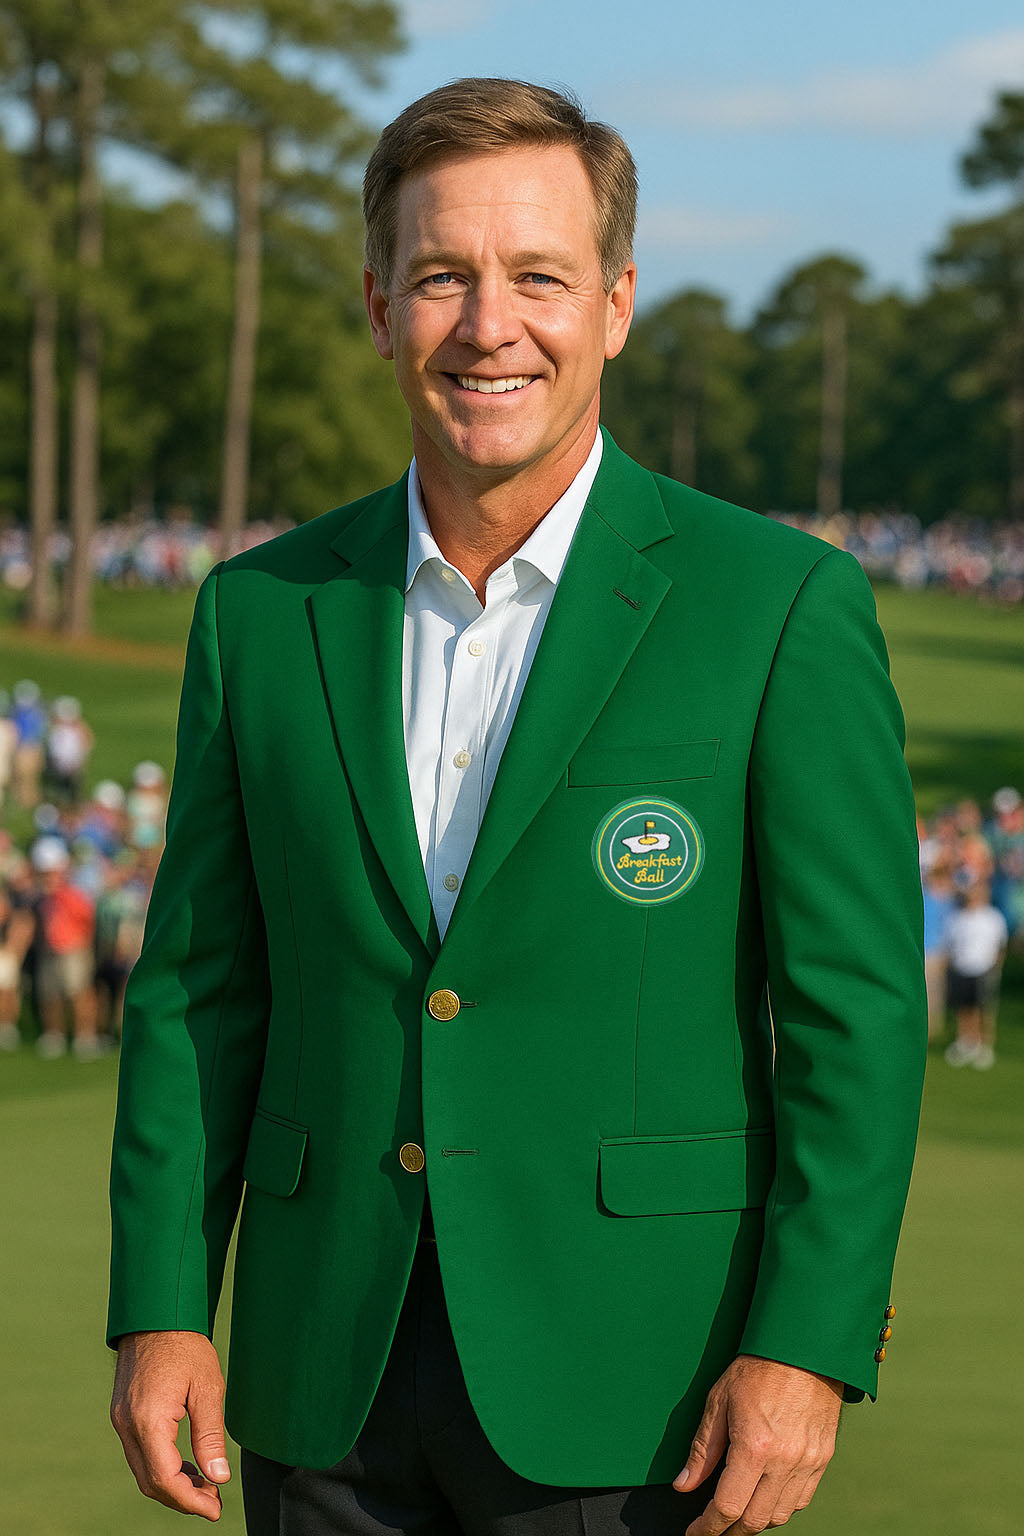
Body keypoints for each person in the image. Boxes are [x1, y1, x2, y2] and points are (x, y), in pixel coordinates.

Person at [108, 79, 927, 1536]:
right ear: (379, 307)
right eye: (443, 276)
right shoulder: (260, 610)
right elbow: (196, 994)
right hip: (322, 1384)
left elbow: (856, 1014)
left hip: (639, 1389)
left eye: (540, 276)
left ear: (613, 304)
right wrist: (161, 1308)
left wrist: (806, 1343)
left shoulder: (780, 605)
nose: (492, 325)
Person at [942, 878, 1008, 1070]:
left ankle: (984, 1046)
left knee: (983, 1008)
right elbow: (951, 943)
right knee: (963, 1007)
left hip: (984, 968)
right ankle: (965, 1042)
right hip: (961, 967)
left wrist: (996, 967)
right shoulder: (957, 917)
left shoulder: (993, 917)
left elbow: (1000, 945)